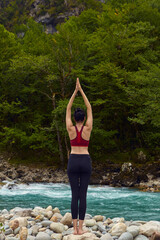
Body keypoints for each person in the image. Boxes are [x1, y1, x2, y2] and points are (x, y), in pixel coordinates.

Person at [66, 77, 93, 235]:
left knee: (74, 194)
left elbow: (67, 109)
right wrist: (81, 90)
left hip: (73, 160)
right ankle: (81, 228)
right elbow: (89, 108)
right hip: (85, 160)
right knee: (82, 194)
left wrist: (74, 92)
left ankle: (74, 228)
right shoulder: (88, 128)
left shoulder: (70, 128)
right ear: (83, 119)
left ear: (75, 118)